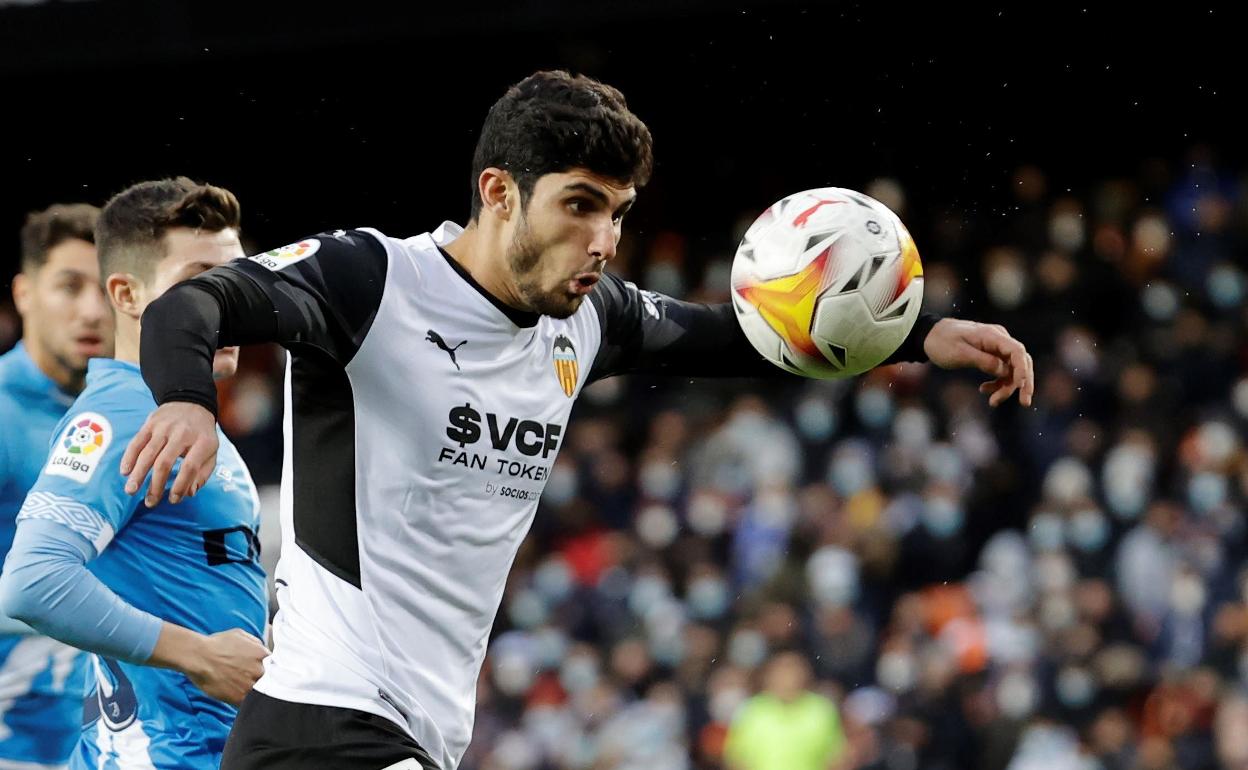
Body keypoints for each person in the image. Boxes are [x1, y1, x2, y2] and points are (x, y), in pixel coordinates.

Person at [121, 71, 1034, 770]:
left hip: (420, 729)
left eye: (620, 213)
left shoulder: (585, 321)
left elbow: (734, 337)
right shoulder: (372, 281)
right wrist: (189, 402)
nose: (603, 240)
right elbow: (194, 307)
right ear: (498, 192)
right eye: (580, 204)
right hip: (322, 723)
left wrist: (917, 332)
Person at [0, 179, 269, 769]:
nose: (231, 305)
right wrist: (199, 655)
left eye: (240, 283)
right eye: (201, 281)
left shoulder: (182, 417)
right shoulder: (119, 416)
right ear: (126, 293)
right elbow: (32, 579)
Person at [0, 203, 110, 770]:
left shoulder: (135, 419)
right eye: (70, 286)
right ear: (24, 294)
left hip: (111, 744)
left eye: (107, 289)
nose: (92, 311)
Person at [724, 651, 850, 770]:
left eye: (793, 670)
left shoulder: (822, 709)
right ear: (769, 675)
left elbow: (838, 758)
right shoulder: (751, 711)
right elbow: (736, 759)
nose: (787, 677)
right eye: (782, 671)